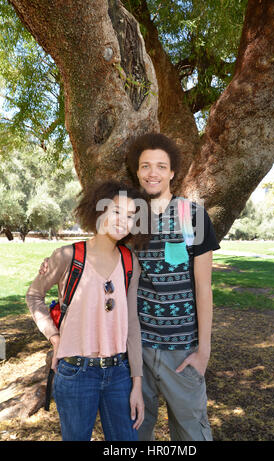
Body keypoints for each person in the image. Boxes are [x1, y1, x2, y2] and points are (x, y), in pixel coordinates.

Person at [40, 133, 221, 441]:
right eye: (145, 166)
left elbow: (204, 288)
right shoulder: (131, 218)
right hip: (135, 351)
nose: (153, 173)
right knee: (136, 431)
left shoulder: (194, 215)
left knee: (192, 432)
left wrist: (203, 351)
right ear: (137, 171)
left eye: (161, 166)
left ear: (172, 172)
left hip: (183, 349)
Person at [26, 180, 146, 441]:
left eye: (130, 216)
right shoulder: (67, 256)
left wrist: (137, 383)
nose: (122, 221)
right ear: (98, 210)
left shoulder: (130, 261)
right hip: (76, 373)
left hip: (120, 375)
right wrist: (54, 338)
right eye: (115, 211)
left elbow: (133, 324)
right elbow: (34, 296)